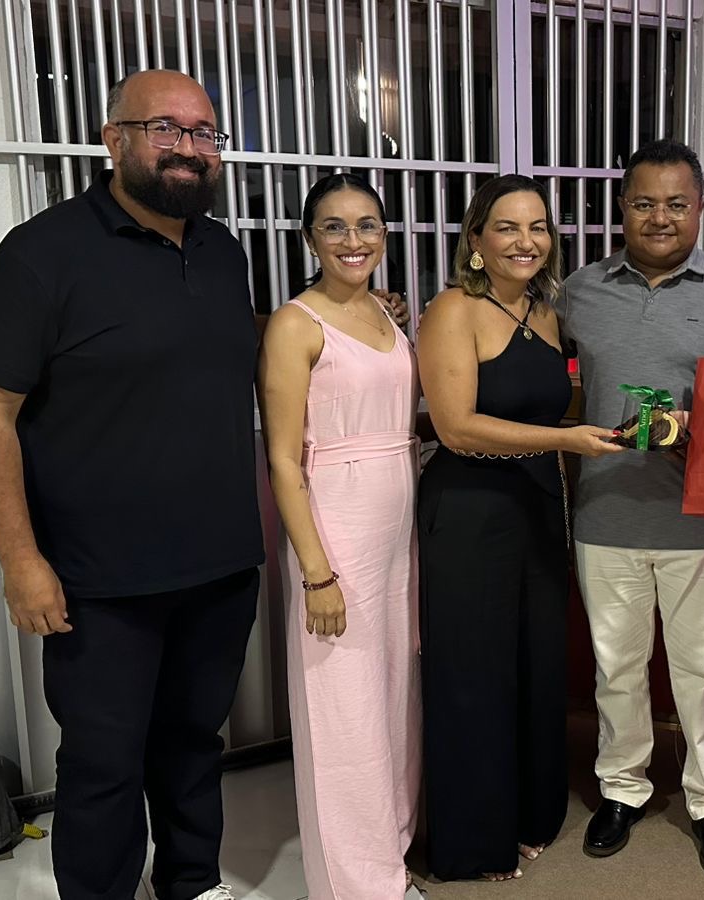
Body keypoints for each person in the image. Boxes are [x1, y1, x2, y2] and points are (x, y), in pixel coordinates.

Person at [0, 70, 261, 900]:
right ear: (113, 138)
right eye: (166, 128)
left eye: (203, 133)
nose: (188, 148)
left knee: (194, 744)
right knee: (103, 762)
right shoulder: (44, 252)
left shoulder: (223, 251)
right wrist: (21, 559)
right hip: (98, 579)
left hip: (219, 564)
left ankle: (192, 882)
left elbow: (214, 351)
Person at [557, 138, 704, 881]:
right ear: (622, 206)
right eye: (644, 203)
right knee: (616, 668)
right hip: (606, 515)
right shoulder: (578, 291)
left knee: (701, 674)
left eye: (677, 203)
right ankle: (623, 787)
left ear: (700, 207)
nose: (660, 217)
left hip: (699, 520)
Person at [416, 174, 624, 882]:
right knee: (474, 672)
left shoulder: (544, 312)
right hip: (470, 511)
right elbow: (455, 427)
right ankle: (474, 839)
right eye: (507, 227)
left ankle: (531, 814)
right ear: (476, 239)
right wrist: (566, 440)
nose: (525, 241)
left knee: (535, 664)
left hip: (536, 504)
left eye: (537, 227)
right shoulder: (454, 309)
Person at [258, 172, 421, 900]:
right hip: (338, 530)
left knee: (393, 697)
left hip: (396, 529)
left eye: (367, 225)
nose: (353, 240)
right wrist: (317, 573)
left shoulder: (387, 314)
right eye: (334, 226)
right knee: (344, 711)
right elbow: (283, 461)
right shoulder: (296, 324)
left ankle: (391, 849)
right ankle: (358, 885)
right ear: (309, 239)